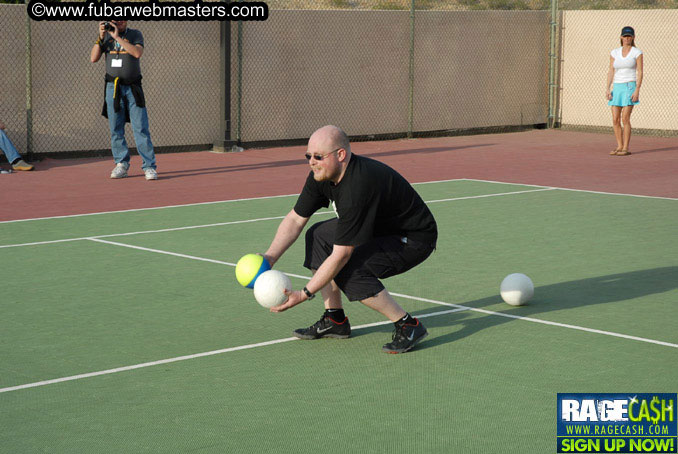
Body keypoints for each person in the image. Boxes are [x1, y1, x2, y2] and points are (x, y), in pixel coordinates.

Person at [261, 125, 438, 354]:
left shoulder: (358, 186)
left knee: (347, 268)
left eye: (318, 156)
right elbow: (296, 219)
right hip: (379, 228)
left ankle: (408, 325)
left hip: (413, 239)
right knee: (318, 235)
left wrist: (302, 295)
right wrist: (270, 257)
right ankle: (335, 320)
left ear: (341, 155)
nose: (311, 162)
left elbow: (341, 255)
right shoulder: (321, 175)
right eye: (308, 156)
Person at [90, 20, 158, 180]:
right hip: (113, 88)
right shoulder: (105, 36)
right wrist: (101, 36)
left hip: (133, 88)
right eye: (115, 19)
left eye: (122, 19)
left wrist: (118, 38)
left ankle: (149, 166)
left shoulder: (135, 34)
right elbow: (93, 58)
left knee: (140, 127)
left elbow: (137, 53)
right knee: (115, 127)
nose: (118, 22)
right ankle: (121, 163)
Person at [606, 26, 643, 156]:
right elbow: (611, 71)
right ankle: (619, 146)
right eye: (625, 36)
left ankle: (626, 147)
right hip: (617, 87)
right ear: (621, 37)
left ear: (633, 37)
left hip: (629, 86)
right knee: (615, 119)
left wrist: (637, 90)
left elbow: (640, 71)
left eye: (629, 36)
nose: (627, 38)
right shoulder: (614, 52)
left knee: (625, 118)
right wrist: (608, 88)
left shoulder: (637, 52)